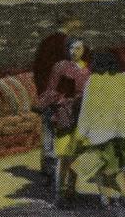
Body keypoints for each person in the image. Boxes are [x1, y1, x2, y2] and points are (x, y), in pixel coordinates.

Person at [74, 51, 125, 204]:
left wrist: (81, 133)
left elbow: (86, 109)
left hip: (102, 132)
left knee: (102, 167)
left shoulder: (93, 81)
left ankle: (105, 197)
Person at [31, 12, 87, 175]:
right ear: (68, 23)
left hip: (47, 94)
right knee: (66, 134)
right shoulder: (68, 44)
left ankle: (48, 169)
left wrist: (42, 92)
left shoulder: (46, 42)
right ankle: (65, 173)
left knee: (48, 132)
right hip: (66, 98)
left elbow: (37, 68)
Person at [38, 37, 91, 200]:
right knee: (63, 154)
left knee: (75, 154)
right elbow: (51, 90)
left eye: (78, 49)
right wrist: (61, 99)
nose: (74, 52)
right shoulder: (61, 67)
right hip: (64, 114)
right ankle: (59, 192)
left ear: (83, 50)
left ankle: (71, 189)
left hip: (80, 114)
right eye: (72, 49)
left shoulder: (88, 70)